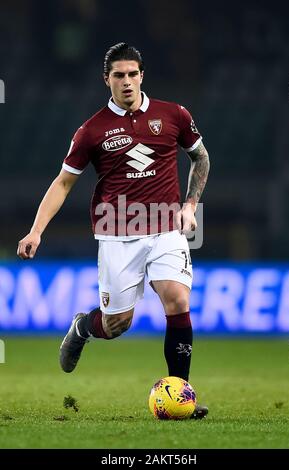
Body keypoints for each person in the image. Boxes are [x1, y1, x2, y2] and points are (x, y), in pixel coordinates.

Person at [17, 43, 210, 419]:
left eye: (132, 74)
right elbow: (62, 184)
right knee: (118, 323)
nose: (126, 81)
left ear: (142, 75)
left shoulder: (174, 115)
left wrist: (189, 205)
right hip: (117, 234)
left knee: (177, 301)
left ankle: (180, 394)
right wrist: (35, 231)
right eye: (118, 75)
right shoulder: (92, 131)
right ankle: (83, 327)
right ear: (106, 79)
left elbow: (199, 157)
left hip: (166, 228)